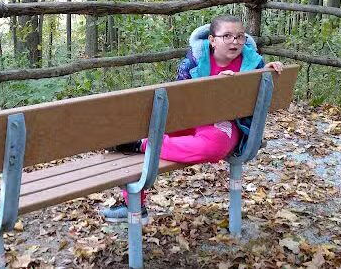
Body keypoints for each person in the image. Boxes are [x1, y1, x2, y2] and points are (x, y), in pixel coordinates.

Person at [101, 15, 283, 224]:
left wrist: (268, 73)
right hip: (190, 118)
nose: (235, 42)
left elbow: (261, 100)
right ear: (212, 40)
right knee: (144, 126)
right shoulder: (194, 61)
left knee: (213, 147)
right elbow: (181, 99)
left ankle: (141, 146)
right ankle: (132, 204)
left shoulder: (253, 63)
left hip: (226, 124)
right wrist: (211, 84)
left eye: (240, 37)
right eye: (227, 36)